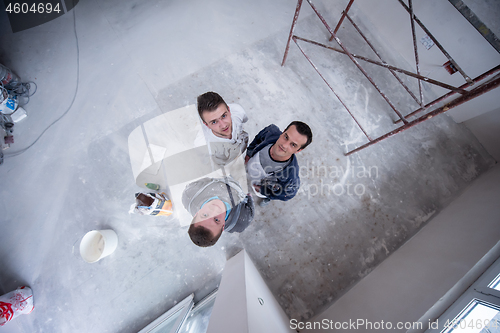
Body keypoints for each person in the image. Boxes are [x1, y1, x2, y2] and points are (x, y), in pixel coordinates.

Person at [245, 121, 312, 205]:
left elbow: (288, 194)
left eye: (293, 145)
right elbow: (258, 138)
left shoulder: (290, 175)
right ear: (283, 132)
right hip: (250, 167)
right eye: (286, 137)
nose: (284, 145)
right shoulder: (270, 132)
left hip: (261, 185)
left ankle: (267, 199)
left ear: (299, 150)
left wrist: (265, 191)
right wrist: (249, 154)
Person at [182, 176, 254, 247]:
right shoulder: (242, 220)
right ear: (223, 226)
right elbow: (250, 199)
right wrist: (249, 196)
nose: (214, 210)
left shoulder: (190, 195)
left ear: (196, 214)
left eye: (205, 215)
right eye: (216, 220)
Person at [197, 92, 249, 165]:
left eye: (224, 116)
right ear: (206, 125)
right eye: (214, 122)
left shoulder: (238, 112)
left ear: (229, 110)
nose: (223, 125)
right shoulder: (204, 145)